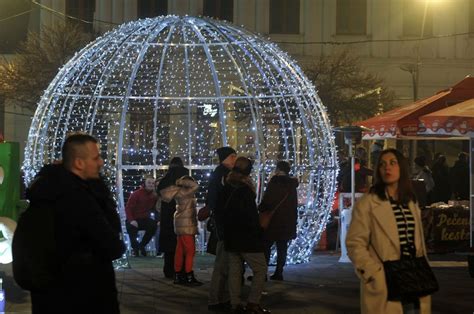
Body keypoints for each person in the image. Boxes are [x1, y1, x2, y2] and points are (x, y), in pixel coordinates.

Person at [27, 133, 125, 313]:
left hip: (49, 299)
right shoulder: (79, 199)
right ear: (79, 163)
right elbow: (113, 245)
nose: (101, 162)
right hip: (83, 296)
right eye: (96, 158)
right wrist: (99, 188)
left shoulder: (44, 193)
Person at [346, 148, 432, 314]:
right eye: (383, 164)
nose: (388, 168)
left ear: (402, 168)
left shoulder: (410, 202)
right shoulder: (369, 203)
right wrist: (372, 274)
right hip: (385, 279)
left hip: (413, 276)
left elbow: (417, 243)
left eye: (393, 163)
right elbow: (354, 243)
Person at [220, 157, 270, 314]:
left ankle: (235, 304)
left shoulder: (226, 187)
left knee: (234, 271)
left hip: (230, 236)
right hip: (246, 238)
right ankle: (253, 303)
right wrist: (259, 232)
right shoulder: (245, 190)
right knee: (260, 269)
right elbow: (250, 217)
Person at [207, 146, 237, 312]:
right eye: (232, 157)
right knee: (221, 265)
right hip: (224, 226)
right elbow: (214, 199)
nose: (234, 159)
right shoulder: (221, 174)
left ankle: (222, 298)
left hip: (226, 225)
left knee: (226, 266)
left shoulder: (223, 174)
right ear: (224, 158)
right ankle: (216, 300)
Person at [258, 161, 298, 281]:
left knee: (266, 246)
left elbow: (268, 200)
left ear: (278, 169)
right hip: (287, 221)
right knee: (282, 247)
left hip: (273, 220)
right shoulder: (292, 184)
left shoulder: (275, 182)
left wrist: (261, 208)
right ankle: (279, 272)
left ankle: (262, 273)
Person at [160, 175, 202, 286]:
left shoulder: (179, 192)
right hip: (186, 226)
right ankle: (189, 275)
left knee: (179, 251)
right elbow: (196, 185)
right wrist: (182, 181)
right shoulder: (186, 192)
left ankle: (178, 274)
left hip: (180, 225)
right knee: (190, 251)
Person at [157, 157, 189, 279]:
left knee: (169, 245)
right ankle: (181, 270)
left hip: (167, 216)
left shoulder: (165, 179)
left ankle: (169, 270)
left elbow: (160, 192)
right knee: (182, 243)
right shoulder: (184, 177)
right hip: (181, 213)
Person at [125, 177, 158, 257]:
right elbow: (128, 208)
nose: (151, 184)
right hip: (133, 218)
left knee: (153, 225)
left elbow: (155, 209)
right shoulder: (136, 194)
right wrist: (132, 220)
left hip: (144, 218)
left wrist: (158, 220)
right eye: (149, 182)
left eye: (153, 183)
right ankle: (135, 249)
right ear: (145, 184)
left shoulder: (154, 196)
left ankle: (142, 245)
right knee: (131, 228)